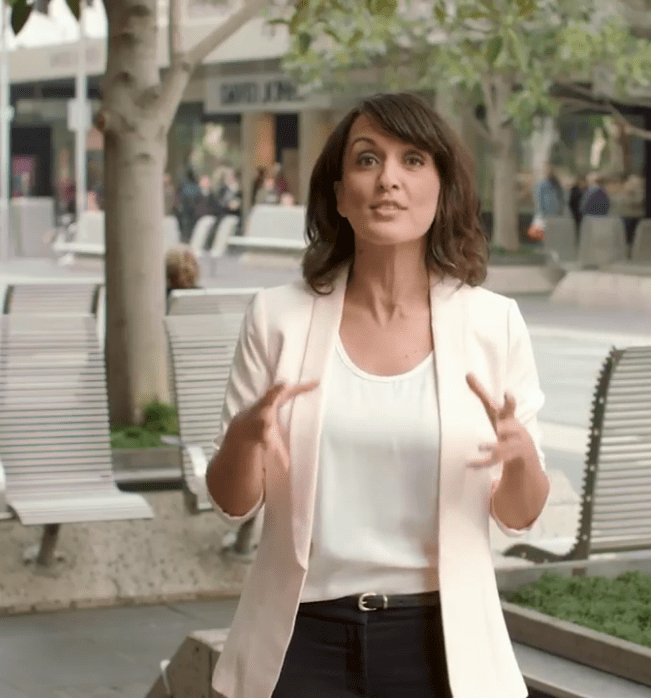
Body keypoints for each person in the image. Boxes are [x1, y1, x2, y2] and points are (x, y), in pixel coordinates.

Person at [206, 92, 549, 698]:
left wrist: (521, 457)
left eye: (412, 160)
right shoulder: (277, 317)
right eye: (367, 160)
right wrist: (243, 437)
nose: (388, 178)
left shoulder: (494, 324)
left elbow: (519, 514)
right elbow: (233, 502)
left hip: (442, 642)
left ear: (442, 187)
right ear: (340, 195)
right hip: (301, 637)